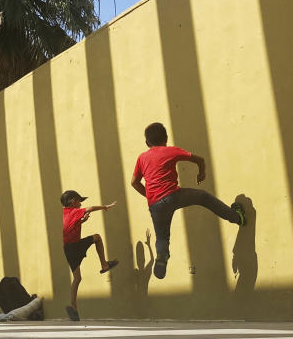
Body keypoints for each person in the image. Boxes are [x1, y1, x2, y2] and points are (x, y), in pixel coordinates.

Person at [130, 122, 246, 280]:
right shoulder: (170, 151)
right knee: (204, 198)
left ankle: (162, 257)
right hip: (173, 195)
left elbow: (134, 182)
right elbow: (200, 160)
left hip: (155, 205)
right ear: (166, 138)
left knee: (162, 238)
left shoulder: (142, 158)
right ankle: (237, 217)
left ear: (147, 143)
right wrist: (201, 173)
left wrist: (150, 195)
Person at [60, 190, 119, 321]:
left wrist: (82, 222)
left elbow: (70, 227)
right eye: (79, 201)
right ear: (72, 201)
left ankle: (74, 307)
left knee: (77, 278)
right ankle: (104, 264)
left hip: (68, 249)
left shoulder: (66, 214)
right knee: (97, 237)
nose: (81, 204)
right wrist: (105, 207)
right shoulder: (74, 211)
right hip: (75, 246)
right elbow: (91, 208)